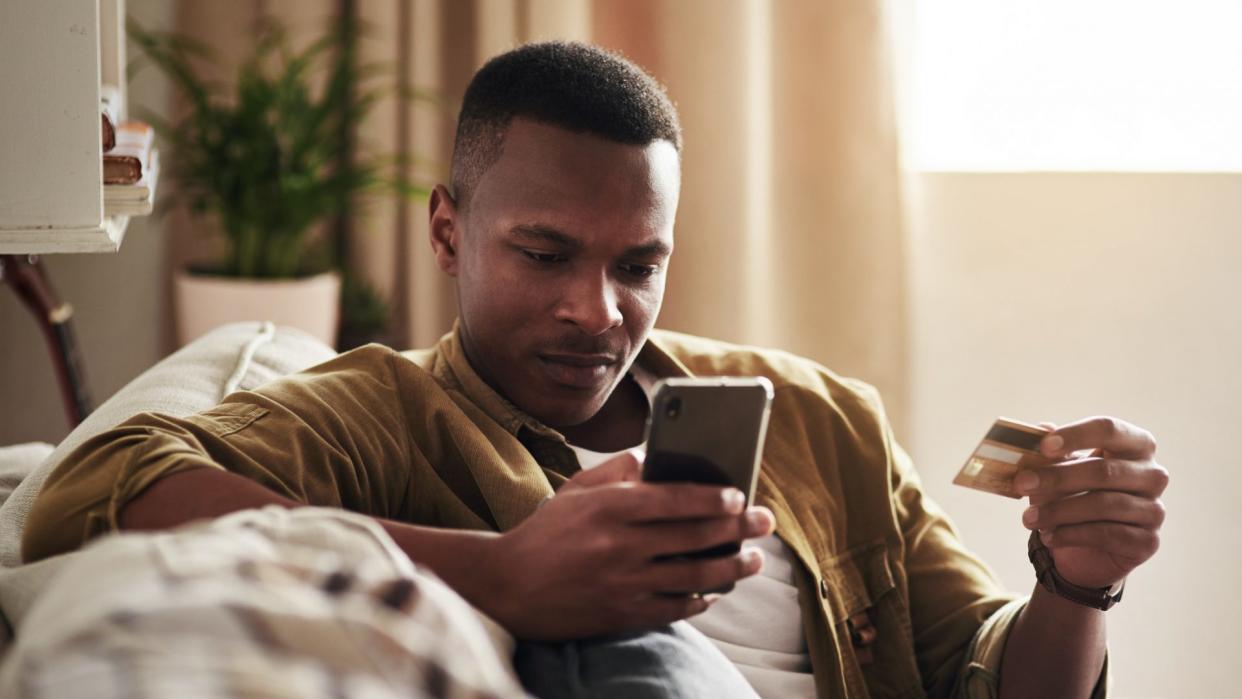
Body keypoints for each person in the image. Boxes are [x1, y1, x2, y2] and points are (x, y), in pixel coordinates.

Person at [22, 42, 1168, 698]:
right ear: (447, 233)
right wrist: (504, 576)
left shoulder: (825, 420)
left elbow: (988, 679)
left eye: (639, 264)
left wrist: (1077, 585)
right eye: (544, 253)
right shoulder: (382, 412)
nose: (595, 309)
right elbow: (90, 493)